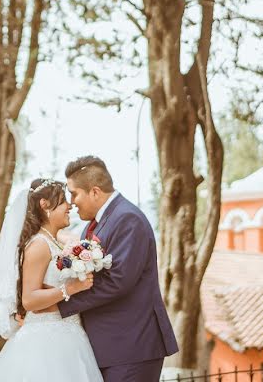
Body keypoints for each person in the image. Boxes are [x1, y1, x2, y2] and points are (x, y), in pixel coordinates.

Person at [58, 155, 179, 381]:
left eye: (74, 193)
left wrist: (60, 303)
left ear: (94, 191)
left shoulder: (127, 219)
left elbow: (118, 282)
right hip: (109, 347)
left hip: (132, 346)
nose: (72, 202)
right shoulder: (89, 229)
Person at [0, 178, 103, 381]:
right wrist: (71, 288)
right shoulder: (39, 245)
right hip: (46, 341)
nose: (69, 206)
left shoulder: (54, 243)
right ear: (45, 205)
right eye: (64, 201)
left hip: (70, 336)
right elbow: (29, 300)